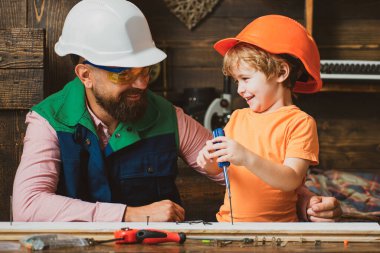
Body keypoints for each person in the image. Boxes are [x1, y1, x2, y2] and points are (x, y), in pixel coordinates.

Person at [12, 0, 341, 222]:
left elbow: (237, 169)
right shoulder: (48, 120)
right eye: (124, 74)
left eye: (146, 71)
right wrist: (131, 214)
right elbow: (26, 208)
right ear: (86, 75)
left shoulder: (167, 115)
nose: (141, 84)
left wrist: (305, 200)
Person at [197, 15, 335, 222]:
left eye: (245, 78)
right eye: (236, 81)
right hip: (228, 225)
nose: (240, 89)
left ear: (280, 72)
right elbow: (219, 168)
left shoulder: (300, 123)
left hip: (280, 231)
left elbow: (291, 179)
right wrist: (208, 161)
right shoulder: (237, 117)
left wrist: (246, 157)